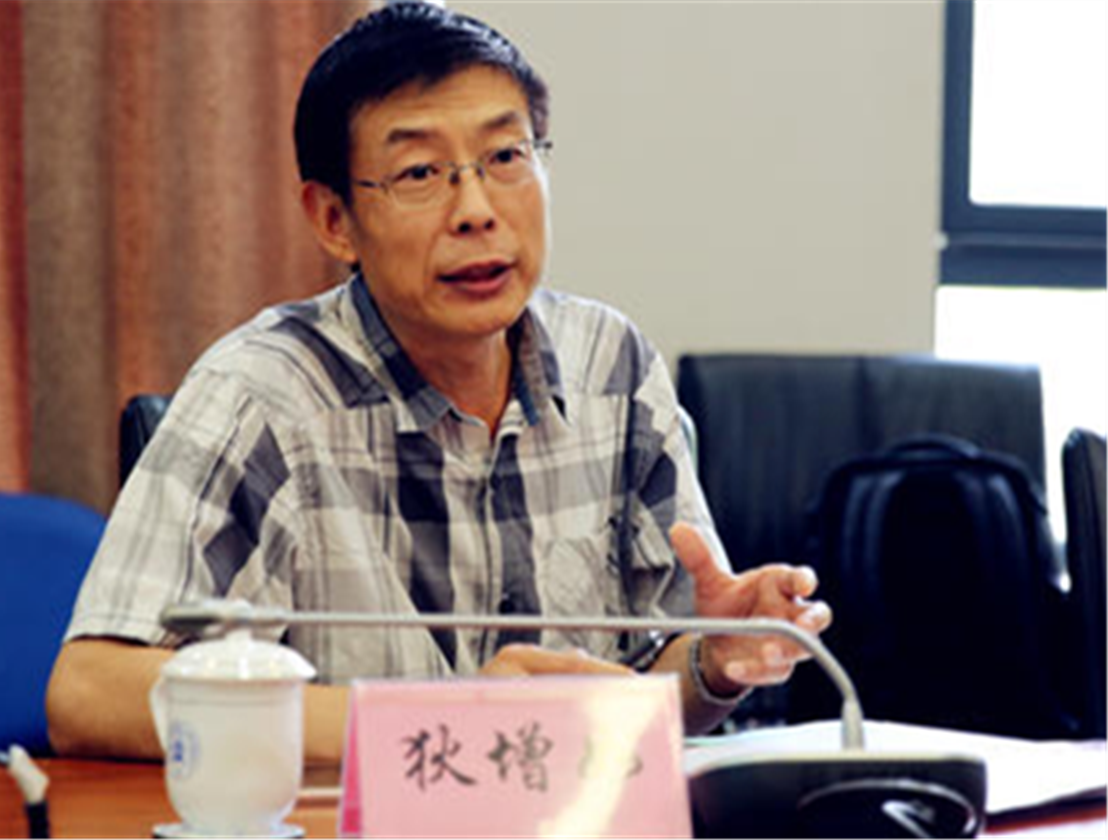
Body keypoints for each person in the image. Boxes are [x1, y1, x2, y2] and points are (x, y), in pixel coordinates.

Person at [46, 3, 831, 765]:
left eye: (506, 157)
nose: (477, 210)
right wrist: (439, 723)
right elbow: (88, 691)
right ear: (334, 220)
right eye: (420, 172)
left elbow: (648, 694)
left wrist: (714, 663)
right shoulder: (263, 394)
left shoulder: (611, 366)